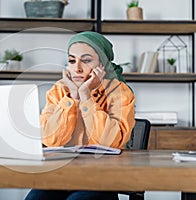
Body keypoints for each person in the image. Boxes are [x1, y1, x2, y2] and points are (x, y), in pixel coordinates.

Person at [25, 31, 135, 200]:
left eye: (86, 60)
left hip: (101, 178)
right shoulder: (59, 90)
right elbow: (50, 139)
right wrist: (73, 97)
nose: (77, 68)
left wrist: (85, 96)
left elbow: (110, 141)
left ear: (102, 65)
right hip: (59, 175)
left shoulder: (119, 91)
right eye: (71, 60)